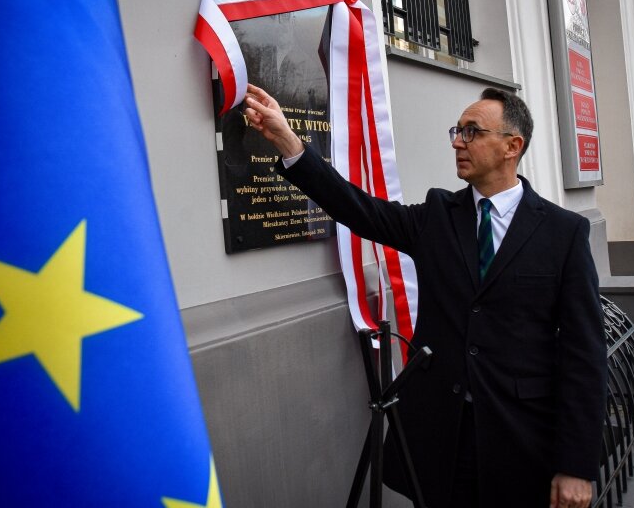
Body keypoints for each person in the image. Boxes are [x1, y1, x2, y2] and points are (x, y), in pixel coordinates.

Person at [243, 83, 607, 508]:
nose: (457, 141)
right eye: (457, 130)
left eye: (472, 132)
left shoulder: (563, 233)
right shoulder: (438, 215)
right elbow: (359, 209)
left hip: (520, 444)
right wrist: (289, 142)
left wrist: (577, 465)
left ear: (512, 145)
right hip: (442, 441)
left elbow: (585, 356)